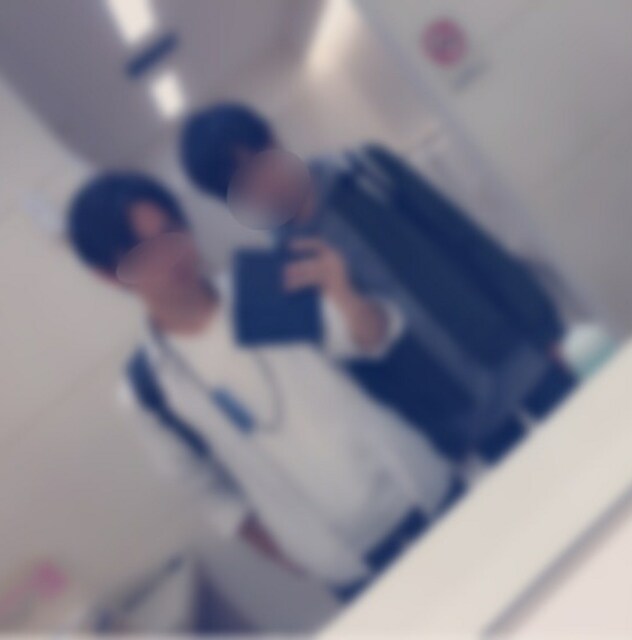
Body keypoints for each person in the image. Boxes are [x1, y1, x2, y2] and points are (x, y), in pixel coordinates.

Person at [66, 172, 459, 601]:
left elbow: (374, 340)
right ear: (109, 275)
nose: (172, 255)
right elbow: (205, 489)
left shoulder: (263, 286)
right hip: (351, 561)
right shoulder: (147, 389)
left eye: (172, 232)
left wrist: (344, 293)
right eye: (145, 252)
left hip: (421, 489)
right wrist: (285, 553)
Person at [179, 103, 577, 461]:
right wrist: (438, 437)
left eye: (260, 164)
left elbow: (463, 239)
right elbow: (361, 374)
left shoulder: (366, 172)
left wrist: (542, 326)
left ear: (274, 140)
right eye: (244, 187)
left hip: (515, 355)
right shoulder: (285, 273)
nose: (265, 187)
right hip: (461, 414)